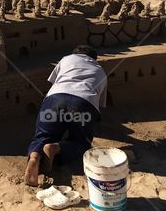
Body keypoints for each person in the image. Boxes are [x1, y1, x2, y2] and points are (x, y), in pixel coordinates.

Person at [24, 45, 107, 186]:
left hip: (55, 99)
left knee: (42, 137)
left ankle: (34, 157)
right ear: (94, 59)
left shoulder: (66, 59)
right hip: (83, 103)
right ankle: (55, 148)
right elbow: (100, 104)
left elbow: (53, 80)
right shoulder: (100, 71)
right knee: (81, 143)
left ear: (76, 54)